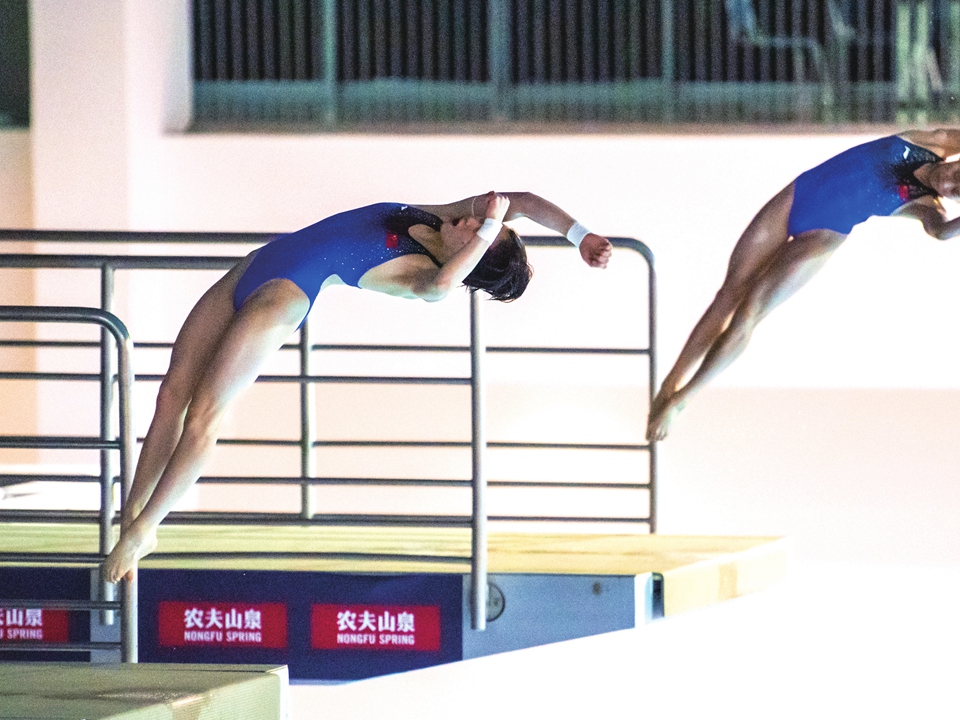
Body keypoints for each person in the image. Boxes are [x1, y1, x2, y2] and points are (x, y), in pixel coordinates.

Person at [102, 192, 612, 582]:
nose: (473, 220)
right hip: (255, 267)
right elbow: (521, 201)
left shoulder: (424, 277)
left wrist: (485, 236)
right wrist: (579, 235)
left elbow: (441, 287)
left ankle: (149, 526)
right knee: (170, 395)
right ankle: (132, 516)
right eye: (479, 220)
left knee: (205, 415)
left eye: (479, 231)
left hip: (281, 299)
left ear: (473, 256)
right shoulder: (441, 216)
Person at [647, 128, 960, 441]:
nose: (948, 183)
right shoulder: (934, 142)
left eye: (956, 193)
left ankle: (683, 400)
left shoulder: (929, 206)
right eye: (958, 176)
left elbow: (942, 233)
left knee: (749, 313)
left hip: (823, 233)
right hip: (798, 197)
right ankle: (667, 386)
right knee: (729, 292)